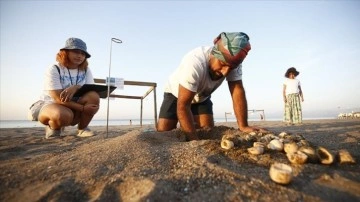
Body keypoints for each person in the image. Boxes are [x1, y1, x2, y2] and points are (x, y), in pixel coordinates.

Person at [157, 32, 266, 140]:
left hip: (202, 97)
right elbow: (183, 105)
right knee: (164, 132)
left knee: (207, 130)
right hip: (176, 94)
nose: (225, 72)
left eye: (231, 68)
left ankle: (188, 124)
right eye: (223, 65)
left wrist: (243, 126)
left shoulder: (233, 63)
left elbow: (237, 91)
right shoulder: (195, 63)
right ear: (214, 54)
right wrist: (194, 142)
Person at [35, 38, 100, 139]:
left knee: (94, 96)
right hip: (52, 104)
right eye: (76, 52)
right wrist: (83, 109)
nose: (80, 56)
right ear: (65, 52)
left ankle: (82, 129)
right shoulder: (55, 68)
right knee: (62, 115)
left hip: (74, 105)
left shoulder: (85, 70)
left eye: (83, 54)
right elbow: (57, 98)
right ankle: (53, 128)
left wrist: (76, 87)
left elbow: (90, 90)